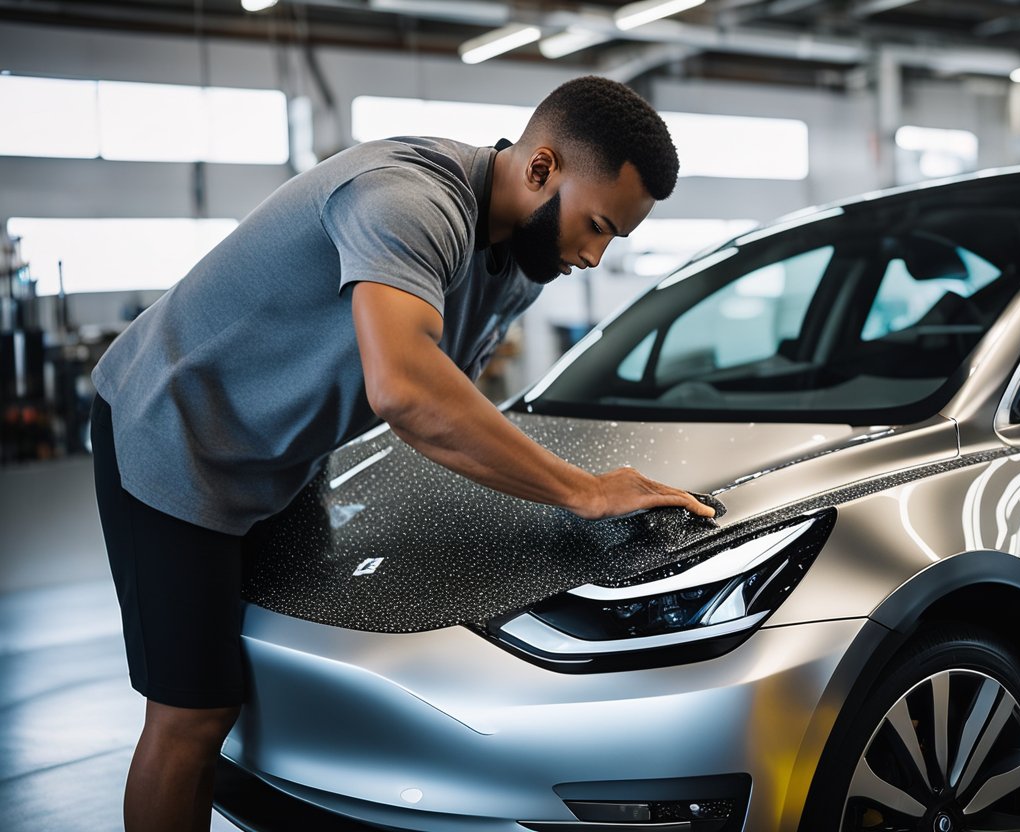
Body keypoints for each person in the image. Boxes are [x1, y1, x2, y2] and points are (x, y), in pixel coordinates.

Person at [90, 75, 715, 832]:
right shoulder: (406, 197)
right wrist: (583, 490)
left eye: (615, 236)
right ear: (541, 168)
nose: (594, 253)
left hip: (281, 461)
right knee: (192, 714)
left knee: (293, 667)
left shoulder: (520, 265)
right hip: (174, 433)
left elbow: (453, 401)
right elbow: (408, 391)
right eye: (597, 224)